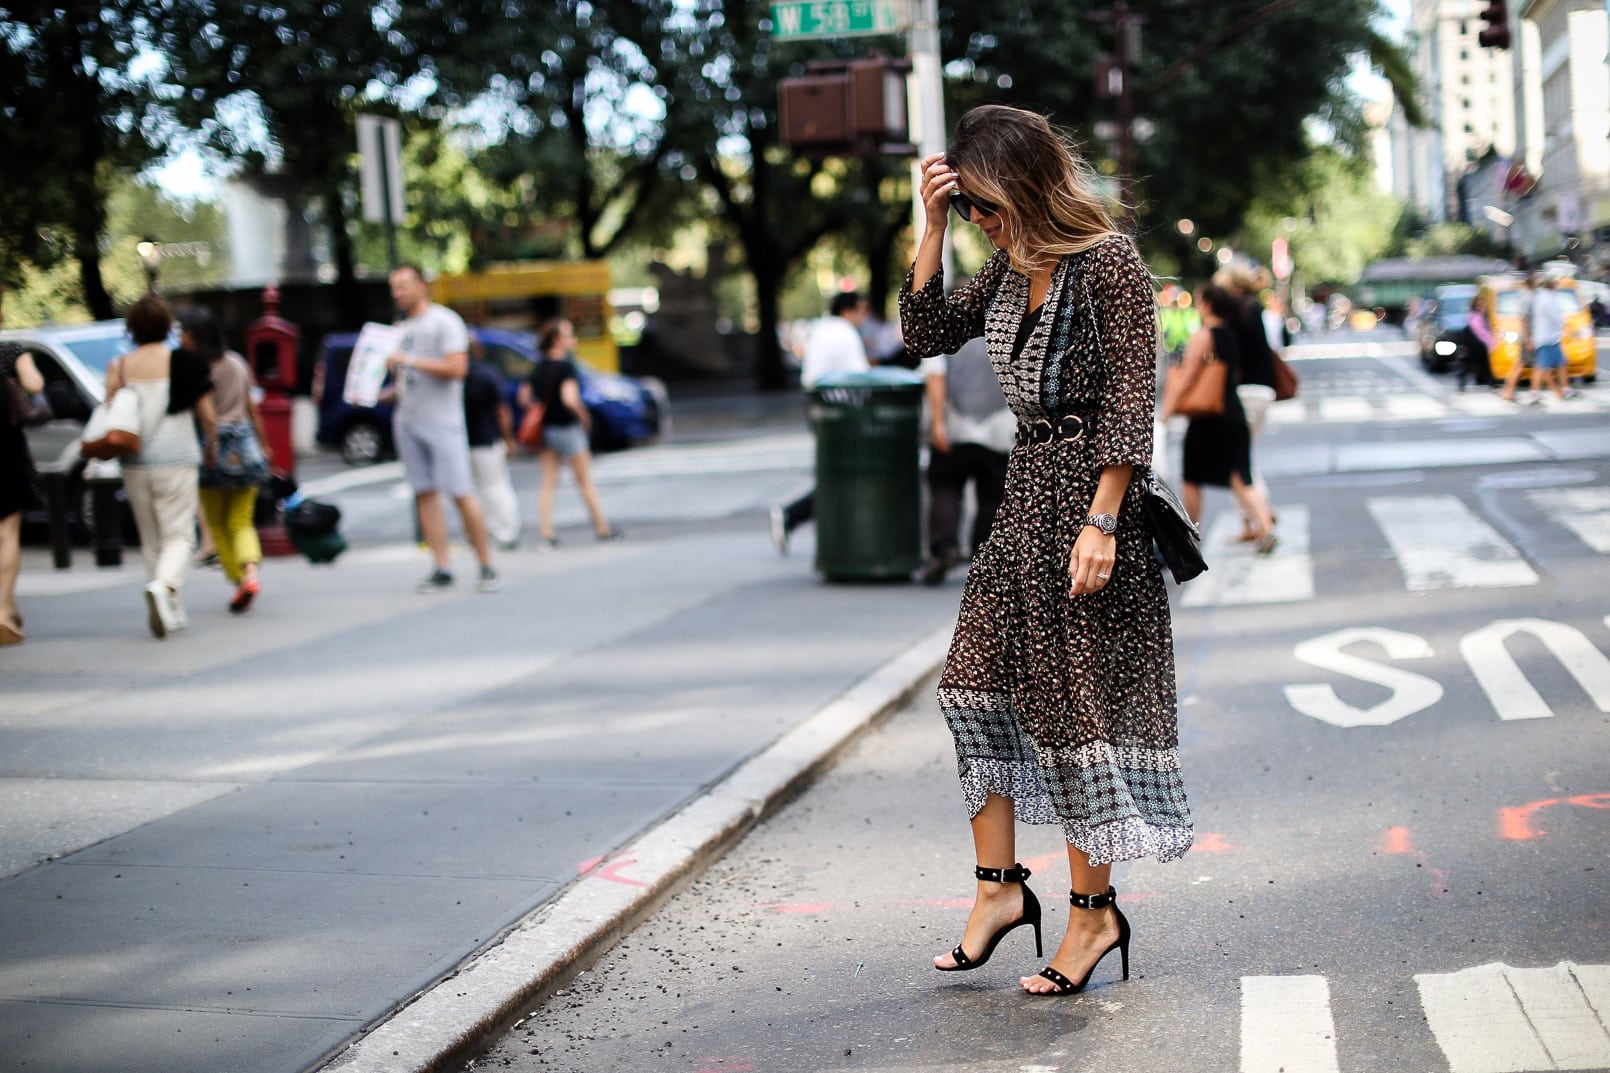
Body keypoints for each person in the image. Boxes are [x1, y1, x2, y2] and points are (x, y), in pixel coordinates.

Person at [900, 104, 1192, 998]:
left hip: (1088, 508)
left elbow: (1132, 400)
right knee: (969, 687)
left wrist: (1104, 521)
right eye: (974, 209)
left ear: (1028, 186)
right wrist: (933, 224)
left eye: (989, 205)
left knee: (1074, 717)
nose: (985, 221)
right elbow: (925, 334)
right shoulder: (1006, 263)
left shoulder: (1107, 262)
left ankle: (1093, 914)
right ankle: (998, 893)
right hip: (1023, 502)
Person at [105, 294, 219, 638]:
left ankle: (171, 607)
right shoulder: (185, 361)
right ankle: (165, 586)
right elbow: (208, 416)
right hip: (178, 458)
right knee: (181, 536)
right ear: (168, 325)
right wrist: (211, 444)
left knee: (152, 539)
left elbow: (112, 411)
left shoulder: (120, 366)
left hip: (135, 461)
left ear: (132, 329)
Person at [386, 264, 499, 593]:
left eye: (403, 285)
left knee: (462, 492)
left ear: (422, 285)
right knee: (424, 492)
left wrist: (408, 361)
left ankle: (486, 564)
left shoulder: (444, 321)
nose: (398, 293)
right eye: (394, 287)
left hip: (443, 423)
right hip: (408, 420)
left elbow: (457, 367)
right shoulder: (400, 329)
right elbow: (408, 379)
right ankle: (441, 565)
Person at [1164, 284, 1278, 552]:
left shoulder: (1205, 335)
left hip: (1209, 418)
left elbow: (1187, 377)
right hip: (1233, 411)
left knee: (1192, 476)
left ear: (1205, 304)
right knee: (1241, 475)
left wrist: (1167, 411)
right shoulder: (1230, 334)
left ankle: (1191, 535)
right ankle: (1266, 527)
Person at [179, 306, 271, 613]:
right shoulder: (236, 363)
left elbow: (199, 413)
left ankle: (238, 580)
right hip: (245, 446)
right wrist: (265, 445)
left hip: (210, 446)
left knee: (217, 523)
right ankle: (252, 573)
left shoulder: (195, 368)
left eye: (182, 331)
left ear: (192, 335)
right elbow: (252, 408)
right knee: (242, 520)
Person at [769, 291, 870, 554]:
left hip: (820, 410)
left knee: (837, 473)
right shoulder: (845, 334)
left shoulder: (823, 330)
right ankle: (795, 515)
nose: (863, 317)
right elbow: (862, 379)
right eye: (860, 310)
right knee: (845, 476)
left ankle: (811, 522)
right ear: (848, 311)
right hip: (842, 414)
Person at [516, 318, 620, 547]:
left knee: (548, 483)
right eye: (568, 335)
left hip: (546, 430)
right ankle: (602, 528)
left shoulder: (538, 367)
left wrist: (537, 409)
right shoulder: (566, 367)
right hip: (567, 428)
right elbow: (569, 398)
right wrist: (583, 416)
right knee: (584, 481)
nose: (573, 339)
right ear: (557, 340)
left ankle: (547, 533)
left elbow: (523, 397)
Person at [919, 336, 1013, 585]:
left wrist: (937, 423)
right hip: (997, 426)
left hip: (954, 425)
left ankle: (944, 548)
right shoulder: (1002, 322)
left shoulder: (943, 324)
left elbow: (935, 375)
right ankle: (984, 557)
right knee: (992, 496)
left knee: (945, 487)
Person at [1213, 266, 1281, 543]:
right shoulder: (1254, 309)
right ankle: (1252, 522)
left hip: (1244, 394)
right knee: (1241, 460)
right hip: (1263, 390)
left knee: (1235, 464)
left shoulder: (1233, 313)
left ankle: (1262, 517)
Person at [0, 341, 45, 645]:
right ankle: (3, 611)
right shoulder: (10, 351)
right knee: (7, 533)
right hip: (5, 447)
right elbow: (34, 383)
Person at [463, 340, 521, 550]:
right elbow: (501, 409)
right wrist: (508, 438)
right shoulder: (486, 373)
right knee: (496, 487)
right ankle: (506, 532)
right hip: (487, 439)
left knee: (470, 491)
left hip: (461, 442)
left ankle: (478, 534)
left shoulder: (453, 375)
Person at [1462, 290, 1495, 392]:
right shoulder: (1474, 315)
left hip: (1480, 345)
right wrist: (1490, 341)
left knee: (1484, 365)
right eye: (1479, 303)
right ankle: (1490, 382)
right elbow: (1480, 331)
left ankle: (1490, 382)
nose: (1482, 305)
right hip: (1475, 345)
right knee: (1470, 366)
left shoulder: (1481, 314)